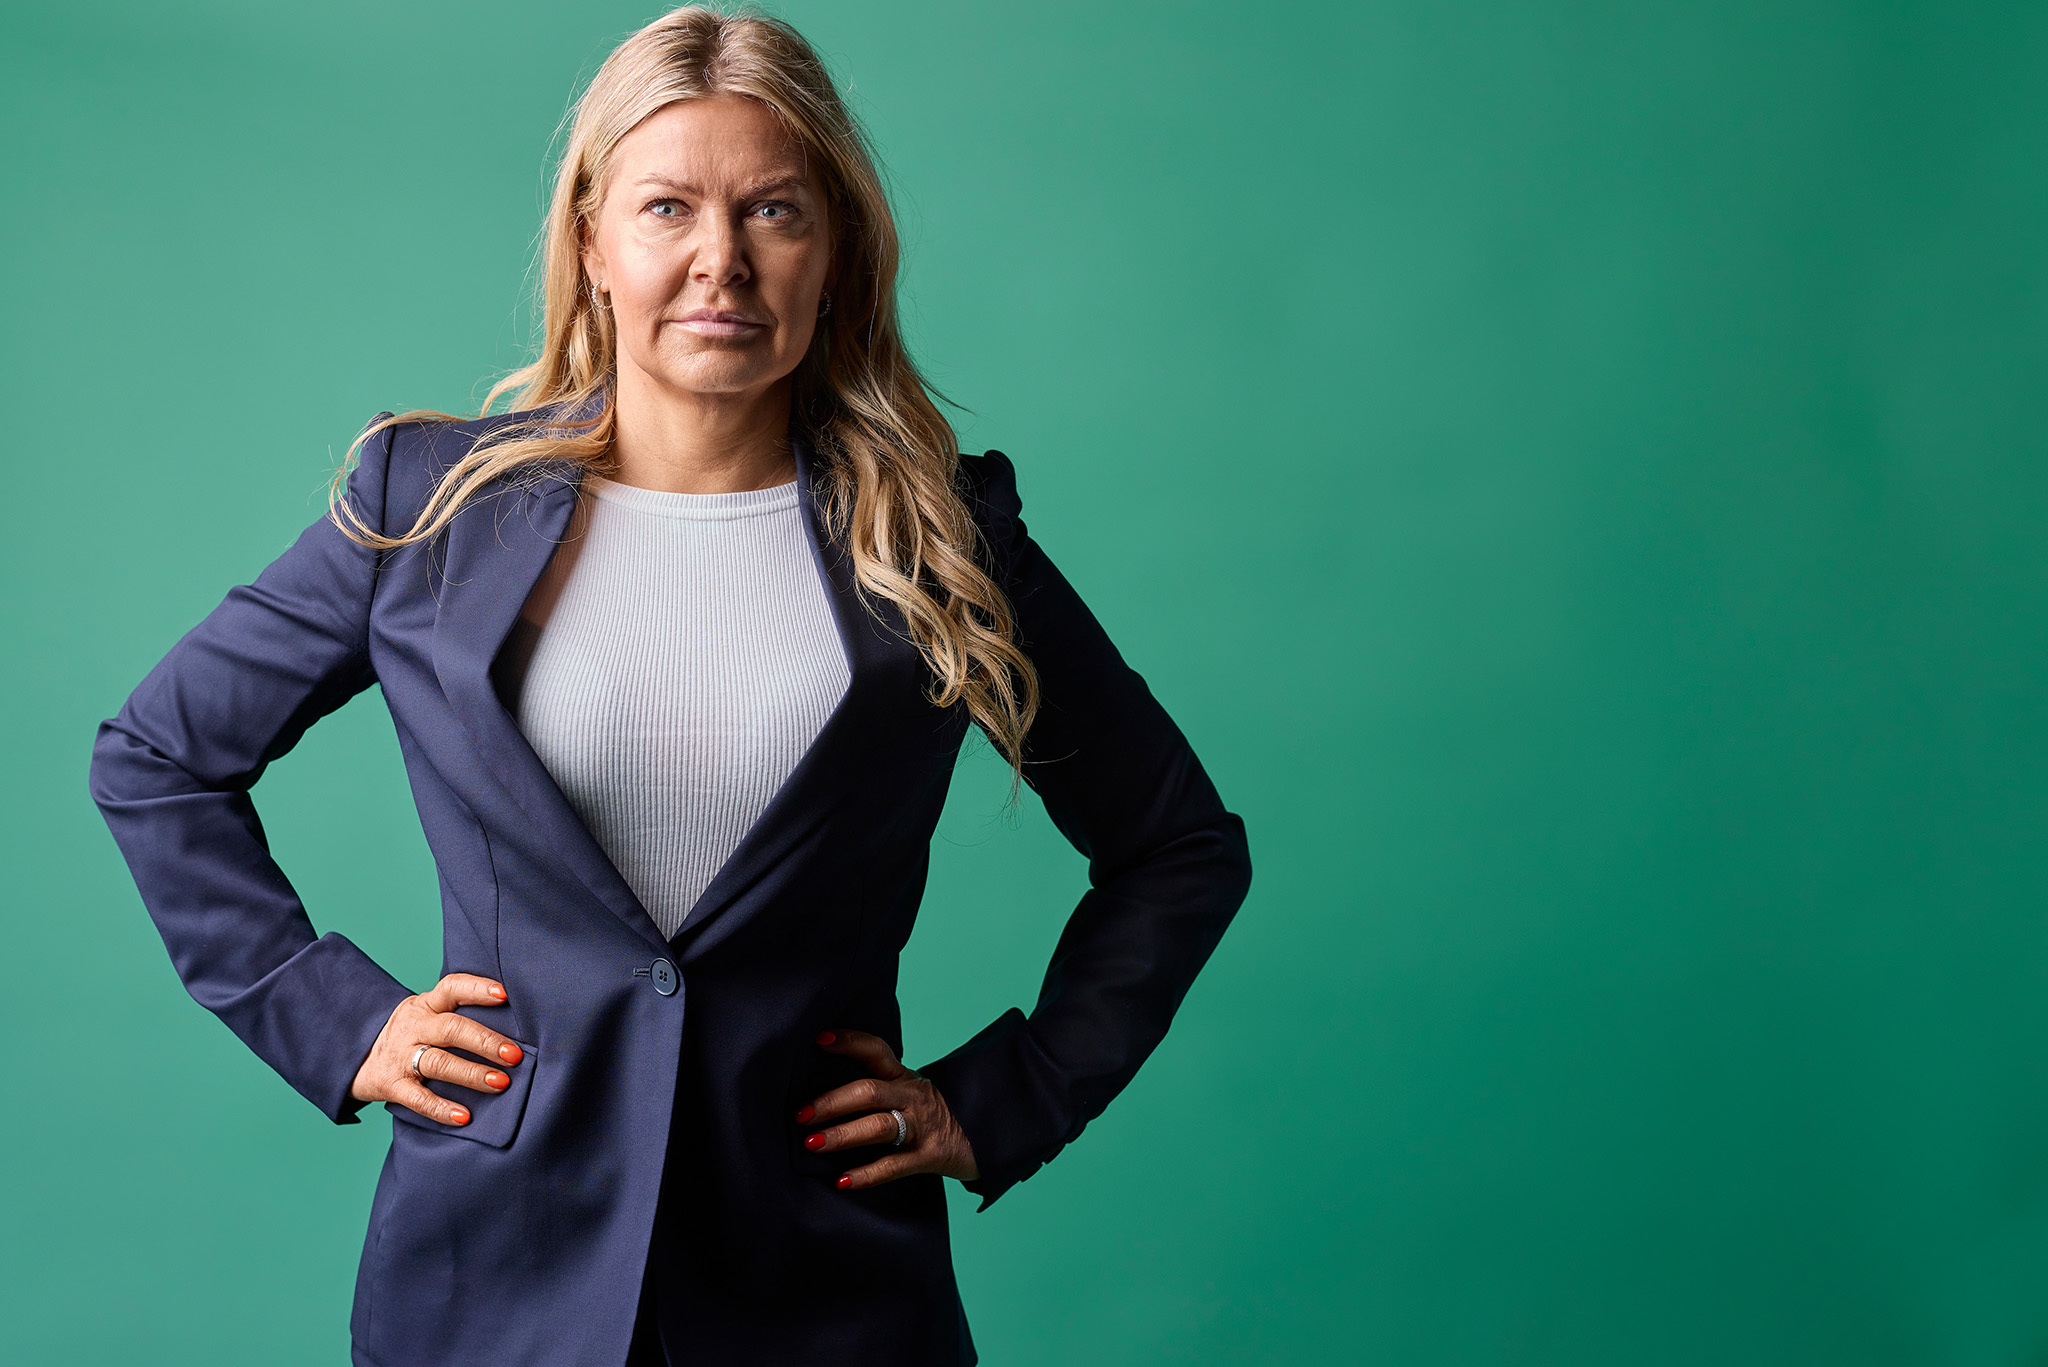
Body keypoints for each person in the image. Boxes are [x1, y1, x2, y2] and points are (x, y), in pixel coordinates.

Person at [88, 7, 1251, 1365]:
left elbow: (1178, 847)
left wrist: (1010, 1098)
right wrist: (334, 1018)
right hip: (495, 1275)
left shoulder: (942, 539)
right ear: (592, 242)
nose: (722, 261)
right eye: (667, 208)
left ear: (836, 252)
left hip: (823, 1283)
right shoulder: (430, 507)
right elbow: (156, 759)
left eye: (774, 210)